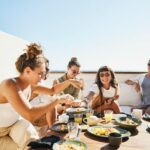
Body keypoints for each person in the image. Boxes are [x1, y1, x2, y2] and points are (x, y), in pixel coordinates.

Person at [0, 43, 82, 150]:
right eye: (40, 74)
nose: (42, 78)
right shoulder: (9, 84)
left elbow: (53, 90)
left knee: (35, 145)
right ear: (28, 71)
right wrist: (57, 100)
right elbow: (29, 114)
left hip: (15, 124)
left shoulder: (31, 85)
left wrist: (69, 81)